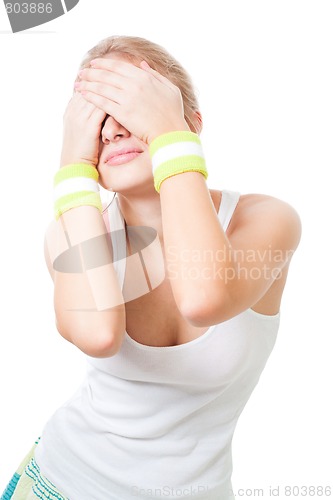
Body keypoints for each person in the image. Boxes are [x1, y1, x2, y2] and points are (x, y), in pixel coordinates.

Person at [1, 35, 301, 500]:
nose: (112, 130)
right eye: (97, 118)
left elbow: (204, 297)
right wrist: (72, 170)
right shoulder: (72, 232)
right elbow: (98, 335)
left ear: (191, 123)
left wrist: (169, 137)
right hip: (59, 484)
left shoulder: (264, 220)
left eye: (131, 106)